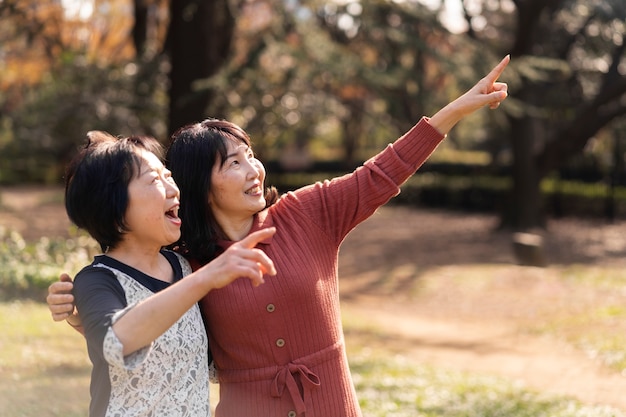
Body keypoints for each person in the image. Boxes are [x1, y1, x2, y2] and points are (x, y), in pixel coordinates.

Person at [48, 55, 510, 416]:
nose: (253, 169)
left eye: (251, 155)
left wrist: (454, 111)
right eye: (232, 162)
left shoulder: (309, 213)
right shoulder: (188, 256)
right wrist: (77, 307)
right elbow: (135, 295)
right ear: (198, 185)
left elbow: (382, 172)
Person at [59, 130, 276, 417]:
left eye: (169, 176)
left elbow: (214, 363)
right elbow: (115, 341)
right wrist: (207, 277)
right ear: (113, 207)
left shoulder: (183, 266)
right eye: (154, 180)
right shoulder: (96, 280)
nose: (174, 189)